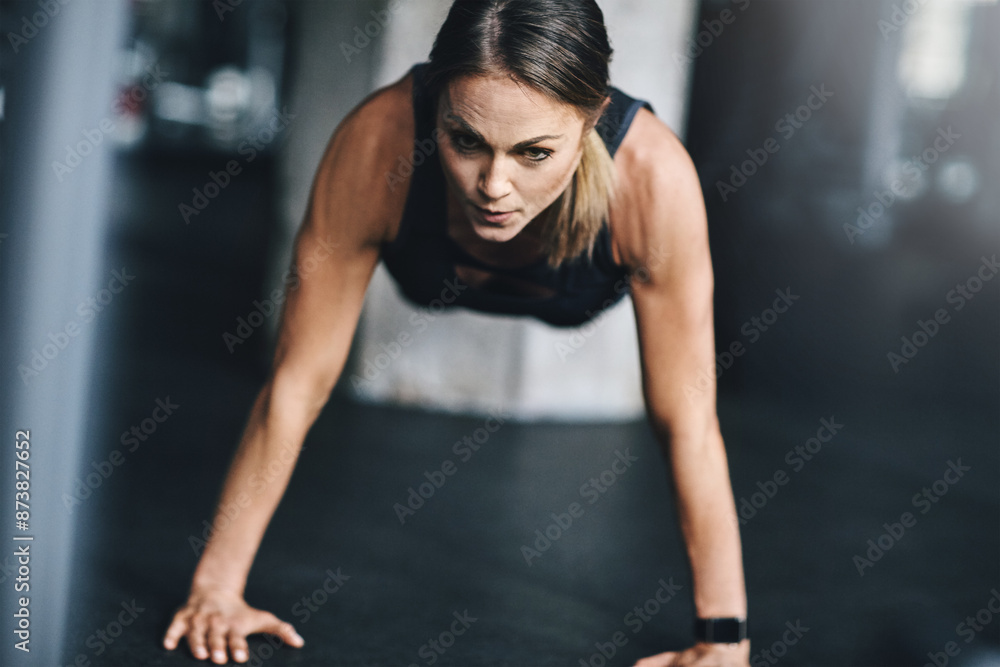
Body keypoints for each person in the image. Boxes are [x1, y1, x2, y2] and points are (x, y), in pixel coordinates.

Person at [162, 1, 751, 665]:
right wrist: (215, 587)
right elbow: (296, 385)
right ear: (438, 107)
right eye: (466, 140)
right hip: (424, 258)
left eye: (533, 153)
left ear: (588, 122)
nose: (494, 186)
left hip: (579, 280)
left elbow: (690, 421)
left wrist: (723, 639)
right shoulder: (378, 143)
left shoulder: (652, 181)